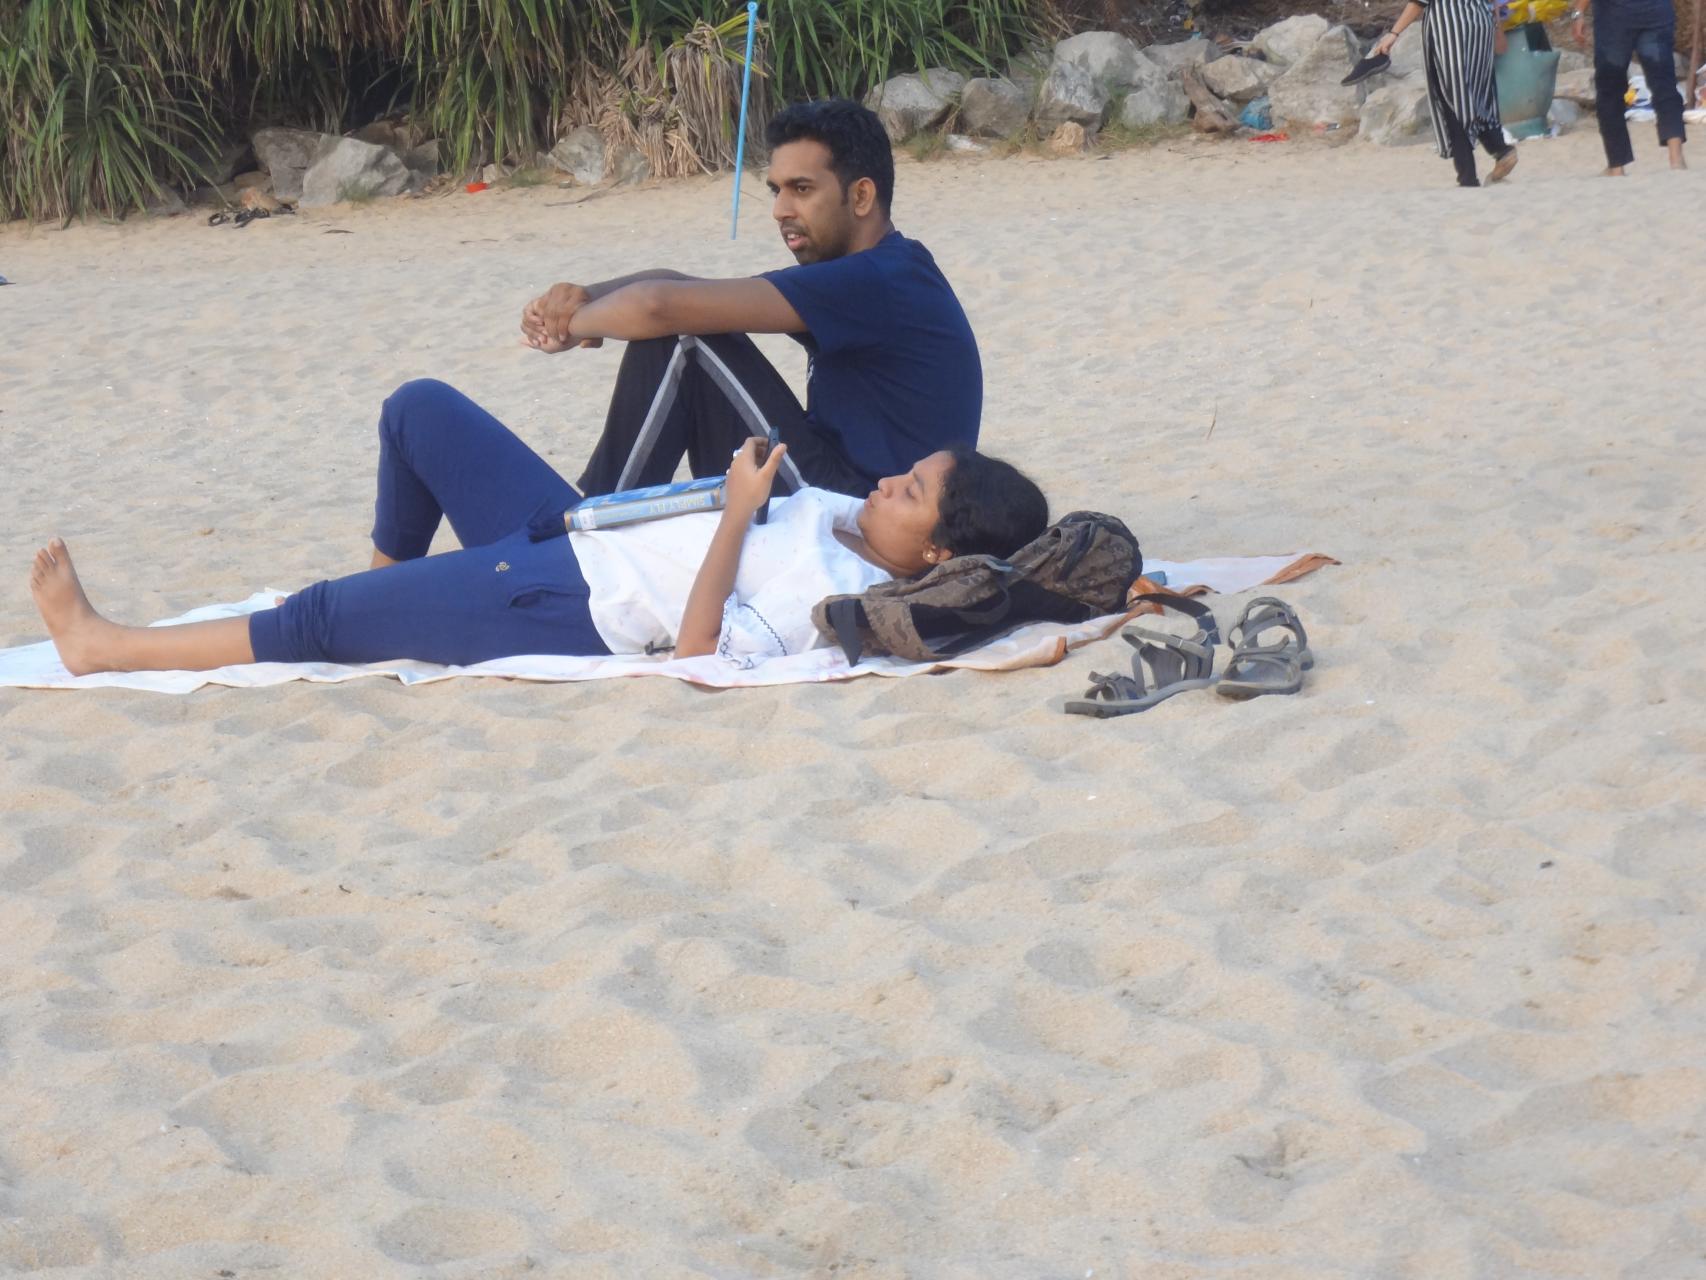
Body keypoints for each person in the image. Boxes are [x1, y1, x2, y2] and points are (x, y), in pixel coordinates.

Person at [25, 387, 1048, 677]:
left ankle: (100, 645)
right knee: (418, 410)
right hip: (572, 525)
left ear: (937, 553)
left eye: (911, 491)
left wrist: (738, 512)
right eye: (907, 473)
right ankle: (379, 604)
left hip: (570, 599)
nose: (887, 482)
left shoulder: (835, 590)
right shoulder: (844, 516)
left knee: (319, 616)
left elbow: (697, 655)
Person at [402, 96, 979, 506]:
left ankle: (588, 532)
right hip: (840, 482)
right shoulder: (876, 272)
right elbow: (685, 288)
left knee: (682, 336)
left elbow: (663, 307)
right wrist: (588, 295)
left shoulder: (880, 280)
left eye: (801, 189)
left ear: (862, 196)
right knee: (689, 322)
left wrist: (575, 323)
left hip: (870, 509)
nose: (780, 210)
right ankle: (595, 518)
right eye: (775, 190)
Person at [1375, 0, 1519, 187]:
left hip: (1450, 30)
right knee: (1479, 94)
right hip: (1480, 24)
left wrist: (1394, 33)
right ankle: (1500, 149)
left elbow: (1419, 2)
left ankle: (1468, 177)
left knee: (1452, 99)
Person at [1572, 0, 1688, 174]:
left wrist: (1578, 12)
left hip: (1615, 17)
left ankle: (1617, 166)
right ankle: (1676, 158)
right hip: (1656, 11)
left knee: (1610, 89)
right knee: (1664, 82)